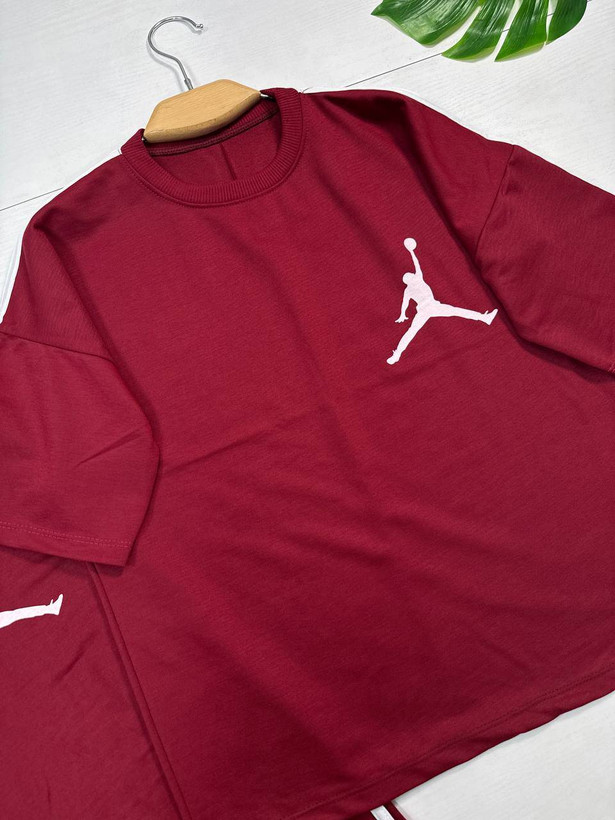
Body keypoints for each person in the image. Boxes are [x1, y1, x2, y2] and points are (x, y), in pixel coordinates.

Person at [387, 238, 498, 364]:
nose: (412, 276)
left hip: (432, 306)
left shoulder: (418, 279)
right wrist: (402, 314)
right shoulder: (410, 288)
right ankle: (397, 354)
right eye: (409, 277)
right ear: (408, 281)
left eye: (411, 275)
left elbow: (416, 264)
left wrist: (411, 252)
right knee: (412, 331)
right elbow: (405, 303)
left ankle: (484, 318)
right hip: (424, 309)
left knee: (455, 311)